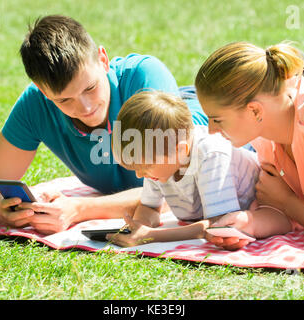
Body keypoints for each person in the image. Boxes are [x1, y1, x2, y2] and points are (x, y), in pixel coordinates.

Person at [0, 15, 208, 235]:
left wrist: (79, 209)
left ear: (103, 59)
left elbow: (175, 186)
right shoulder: (35, 104)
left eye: (90, 88)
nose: (86, 108)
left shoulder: (143, 76)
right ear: (42, 91)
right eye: (64, 100)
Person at [195, 41, 304, 250]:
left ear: (255, 111)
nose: (211, 130)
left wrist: (288, 202)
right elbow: (286, 212)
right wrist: (249, 223)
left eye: (217, 120)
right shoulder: (265, 131)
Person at [106, 90, 292, 247]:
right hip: (233, 216)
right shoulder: (159, 160)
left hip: (270, 202)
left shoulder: (210, 154)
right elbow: (150, 208)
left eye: (145, 167)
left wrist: (152, 236)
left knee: (267, 221)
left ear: (180, 150)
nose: (139, 174)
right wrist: (139, 227)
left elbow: (217, 224)